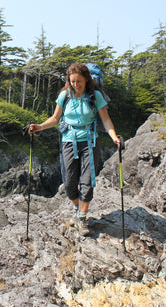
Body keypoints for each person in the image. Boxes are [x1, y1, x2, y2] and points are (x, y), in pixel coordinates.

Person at [29, 62, 120, 235]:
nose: (76, 85)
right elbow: (55, 119)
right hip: (68, 141)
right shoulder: (65, 95)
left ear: (86, 80)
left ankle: (82, 218)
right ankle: (79, 210)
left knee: (87, 182)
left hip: (89, 141)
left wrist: (114, 137)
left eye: (79, 81)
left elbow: (106, 120)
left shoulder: (95, 96)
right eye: (72, 81)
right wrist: (39, 127)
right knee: (69, 183)